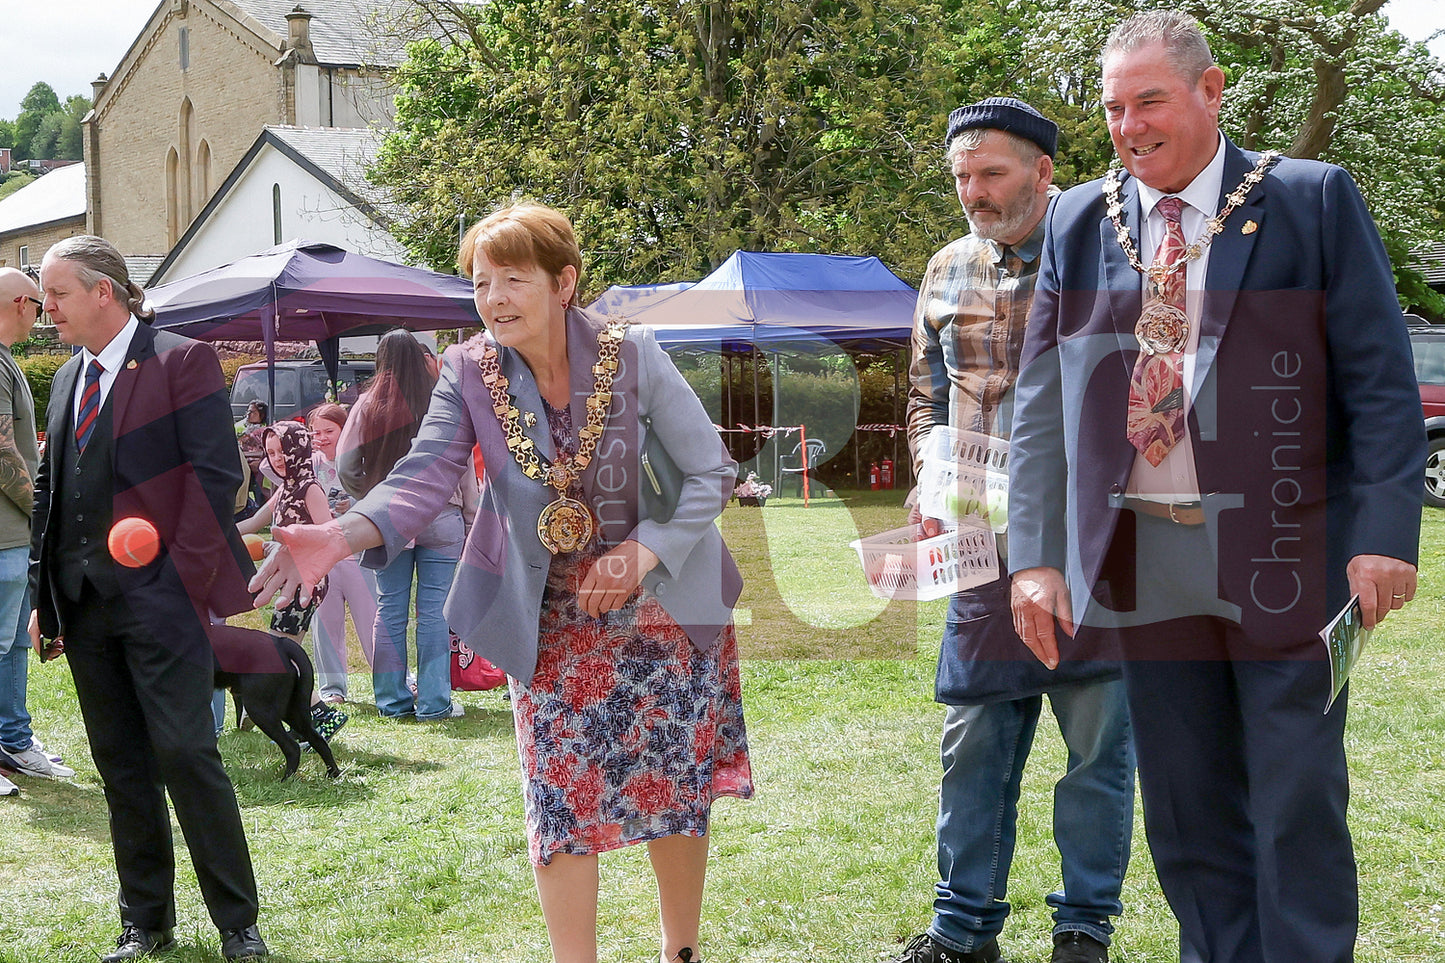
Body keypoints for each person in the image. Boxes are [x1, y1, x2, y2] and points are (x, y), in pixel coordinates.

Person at [1006, 12, 1424, 963]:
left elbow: (1378, 381)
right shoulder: (1080, 217)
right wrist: (1031, 553)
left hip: (1287, 552)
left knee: (1294, 792)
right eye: (1112, 107)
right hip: (1143, 556)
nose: (1126, 124)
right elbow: (1039, 399)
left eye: (1147, 99)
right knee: (1185, 804)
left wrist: (1386, 531)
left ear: (1210, 89)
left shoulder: (1309, 200)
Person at [253, 202, 752, 963]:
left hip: (663, 615)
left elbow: (710, 470)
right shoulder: (464, 370)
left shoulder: (634, 352)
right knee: (558, 797)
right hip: (545, 621)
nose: (494, 298)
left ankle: (678, 952)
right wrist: (336, 533)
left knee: (671, 786)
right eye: (481, 283)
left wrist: (643, 552)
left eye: (513, 279)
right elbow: (419, 481)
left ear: (564, 282)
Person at [897, 100, 1134, 963]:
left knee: (1097, 742)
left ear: (1041, 172)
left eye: (990, 173)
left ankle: (1082, 929)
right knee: (973, 740)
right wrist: (931, 468)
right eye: (961, 176)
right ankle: (961, 932)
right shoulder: (945, 266)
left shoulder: (1111, 252)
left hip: (1093, 540)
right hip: (976, 545)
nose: (973, 192)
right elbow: (925, 390)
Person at [28, 236, 269, 962]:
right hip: (86, 606)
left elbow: (216, 477)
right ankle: (147, 923)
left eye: (58, 295)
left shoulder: (181, 358)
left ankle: (237, 925)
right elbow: (51, 490)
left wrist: (181, 590)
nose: (47, 311)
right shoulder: (69, 378)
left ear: (104, 291)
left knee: (188, 753)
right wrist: (45, 596)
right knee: (122, 766)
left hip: (162, 605)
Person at [336, 329, 475, 720]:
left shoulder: (367, 405)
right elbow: (463, 469)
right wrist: (468, 518)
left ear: (381, 361)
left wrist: (370, 497)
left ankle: (392, 701)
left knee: (390, 609)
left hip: (389, 519)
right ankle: (434, 701)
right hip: (442, 514)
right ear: (420, 358)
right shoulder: (443, 402)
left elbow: (345, 466)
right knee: (435, 613)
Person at [0, 268, 75, 796]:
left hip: (11, 536)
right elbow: (2, 452)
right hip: (6, 533)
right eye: (39, 298)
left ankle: (14, 742)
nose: (46, 309)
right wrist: (43, 512)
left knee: (9, 647)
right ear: (20, 304)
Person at [236, 421, 348, 742]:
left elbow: (330, 534)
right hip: (289, 581)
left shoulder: (309, 488)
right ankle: (311, 717)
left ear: (298, 447)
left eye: (282, 450)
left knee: (280, 652)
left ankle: (318, 716)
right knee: (284, 652)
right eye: (271, 453)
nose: (276, 458)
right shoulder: (284, 488)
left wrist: (293, 547)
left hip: (308, 580)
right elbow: (254, 522)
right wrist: (215, 536)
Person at [306, 403, 376, 704]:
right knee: (325, 625)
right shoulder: (309, 464)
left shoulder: (363, 460)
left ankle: (390, 683)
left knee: (373, 622)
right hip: (323, 557)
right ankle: (332, 689)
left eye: (328, 431)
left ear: (345, 429)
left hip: (359, 554)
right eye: (315, 432)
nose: (321, 438)